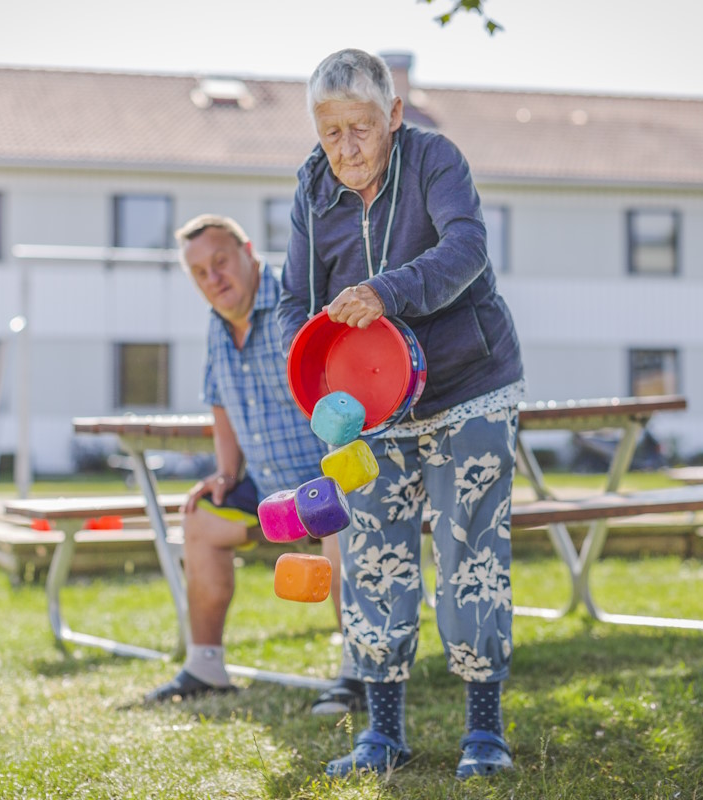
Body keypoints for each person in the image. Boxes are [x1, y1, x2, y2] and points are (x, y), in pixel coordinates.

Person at [276, 49, 526, 779]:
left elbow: (468, 247)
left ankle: (485, 732)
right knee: (373, 557)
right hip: (369, 406)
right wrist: (314, 377)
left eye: (361, 127)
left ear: (392, 115)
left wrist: (389, 290)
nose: (346, 148)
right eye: (330, 133)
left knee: (470, 551)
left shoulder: (434, 160)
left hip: (467, 384)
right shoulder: (313, 188)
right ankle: (382, 734)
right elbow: (296, 298)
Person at [144, 213, 364, 716]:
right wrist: (225, 472)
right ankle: (205, 666)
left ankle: (358, 673)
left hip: (329, 485)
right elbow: (219, 399)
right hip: (270, 494)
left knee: (339, 530)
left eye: (220, 262)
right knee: (200, 519)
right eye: (200, 272)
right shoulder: (218, 326)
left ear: (249, 253)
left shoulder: (297, 303)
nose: (213, 278)